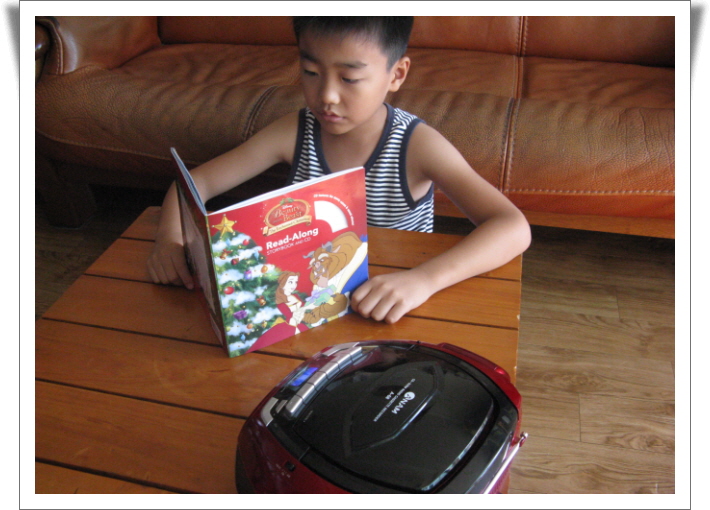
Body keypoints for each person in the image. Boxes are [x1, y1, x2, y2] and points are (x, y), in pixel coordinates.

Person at [147, 16, 531, 324]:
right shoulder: (296, 131)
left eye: (349, 78)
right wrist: (170, 239)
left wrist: (424, 280)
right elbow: (195, 183)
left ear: (397, 74)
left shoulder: (416, 145)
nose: (327, 96)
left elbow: (513, 226)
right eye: (311, 72)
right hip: (313, 298)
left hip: (393, 299)